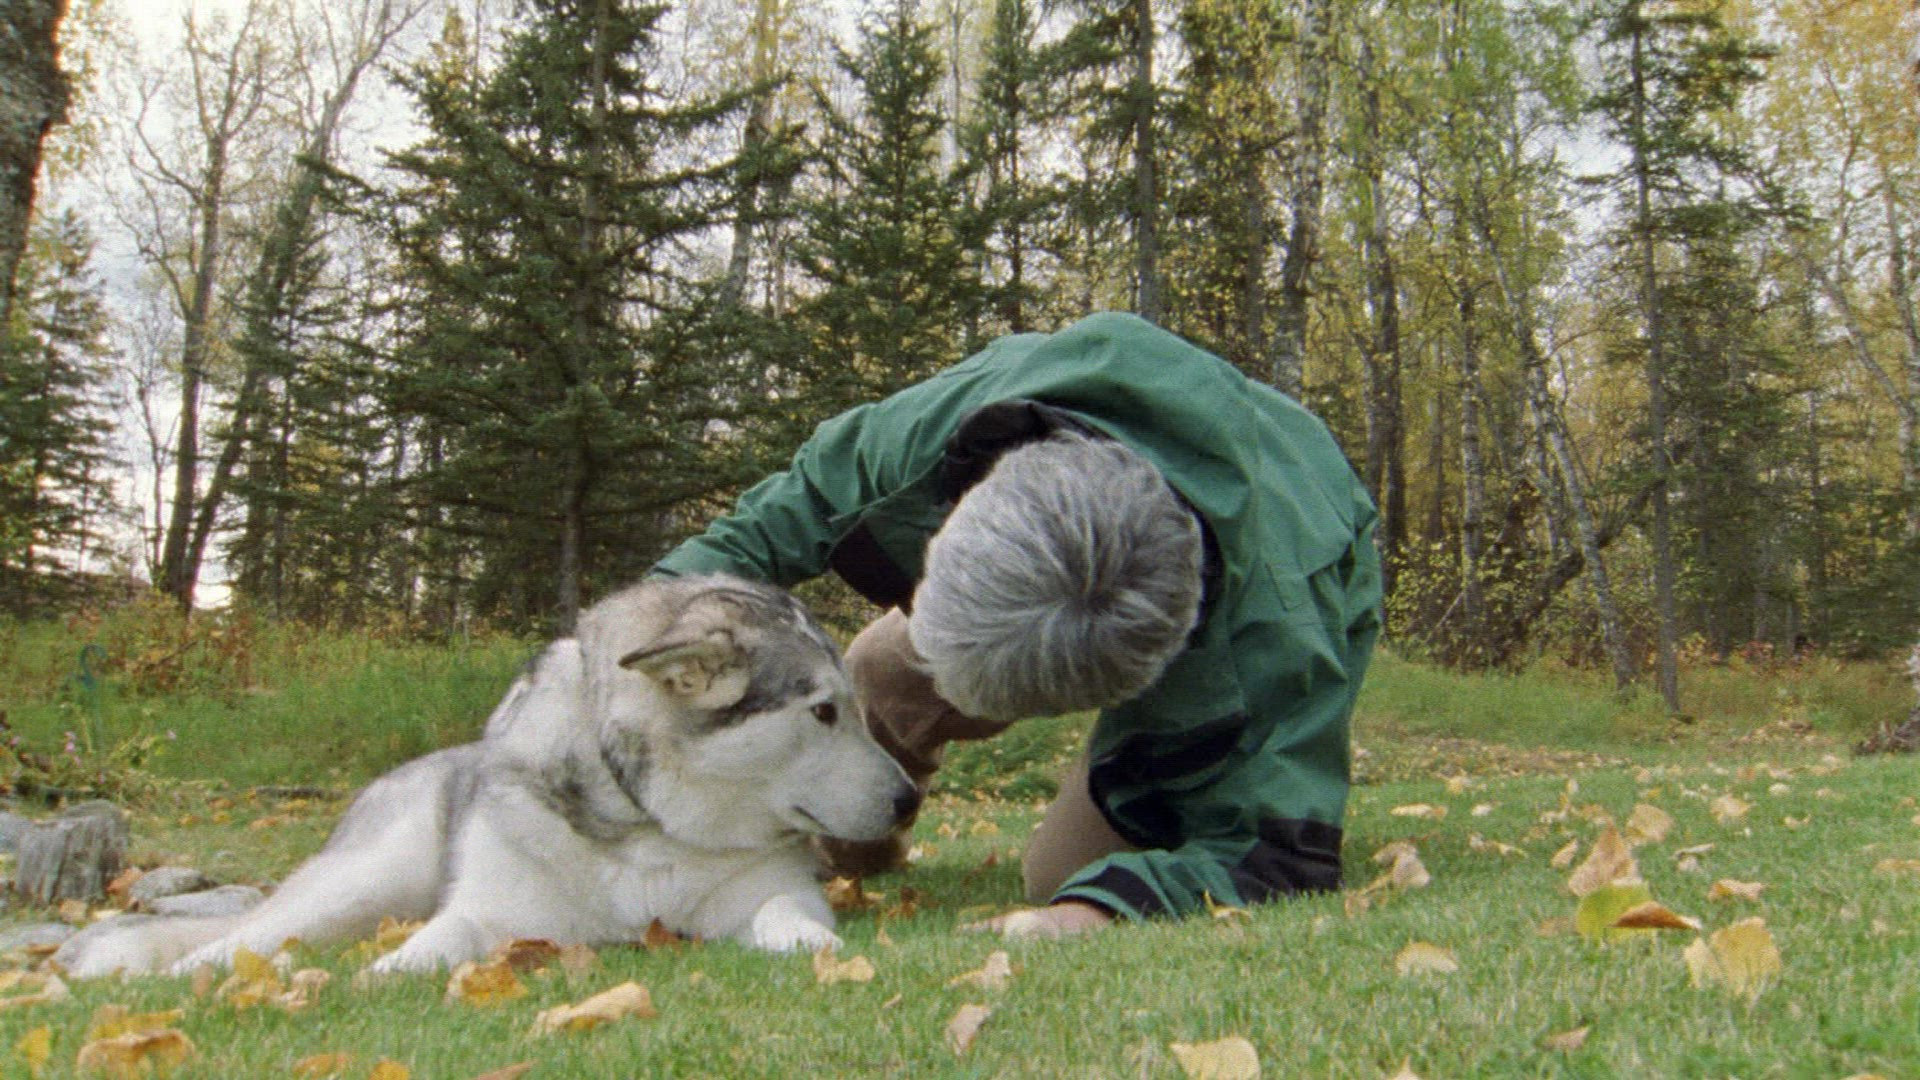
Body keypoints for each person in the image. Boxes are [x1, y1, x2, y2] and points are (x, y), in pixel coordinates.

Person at [651, 312, 1382, 938]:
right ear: (962, 520)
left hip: (1290, 553)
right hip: (1074, 548)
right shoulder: (959, 421)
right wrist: (644, 624)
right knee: (879, 670)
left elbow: (1277, 858)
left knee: (1061, 876)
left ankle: (1130, 785)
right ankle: (844, 849)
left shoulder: (1278, 641)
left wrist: (1089, 913)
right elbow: (797, 503)